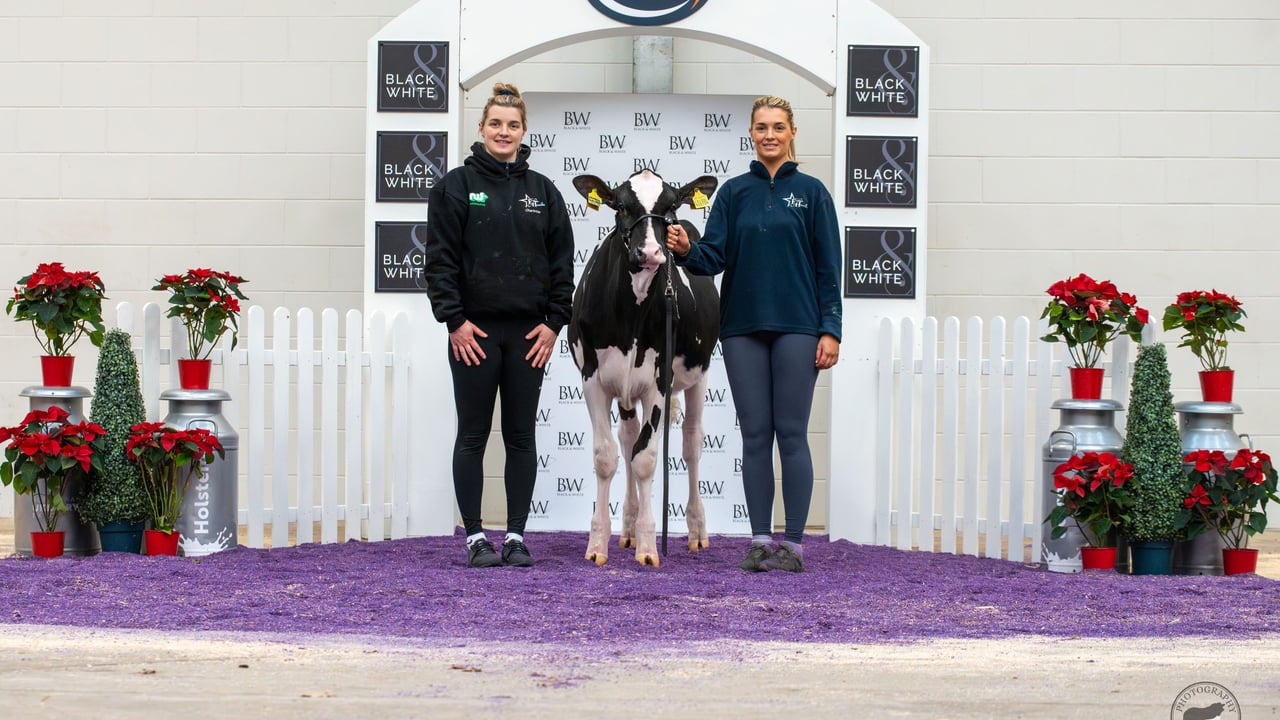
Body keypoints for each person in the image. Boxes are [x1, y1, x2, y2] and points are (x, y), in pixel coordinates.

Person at [665, 95, 842, 573]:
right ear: (751, 133)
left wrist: (831, 330)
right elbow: (712, 258)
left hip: (799, 328)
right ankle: (760, 542)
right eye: (761, 127)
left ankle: (795, 546)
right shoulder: (733, 193)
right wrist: (687, 247)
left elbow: (830, 269)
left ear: (792, 133)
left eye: (778, 127)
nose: (770, 135)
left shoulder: (812, 193)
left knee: (791, 434)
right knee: (755, 435)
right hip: (741, 327)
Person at [424, 83, 575, 569]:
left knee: (520, 437)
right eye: (495, 124)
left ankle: (514, 537)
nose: (503, 132)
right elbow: (440, 262)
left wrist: (554, 325)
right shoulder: (454, 186)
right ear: (482, 129)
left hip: (529, 336)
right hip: (474, 335)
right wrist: (455, 321)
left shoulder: (544, 192)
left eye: (512, 125)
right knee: (472, 436)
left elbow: (563, 266)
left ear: (524, 131)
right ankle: (473, 538)